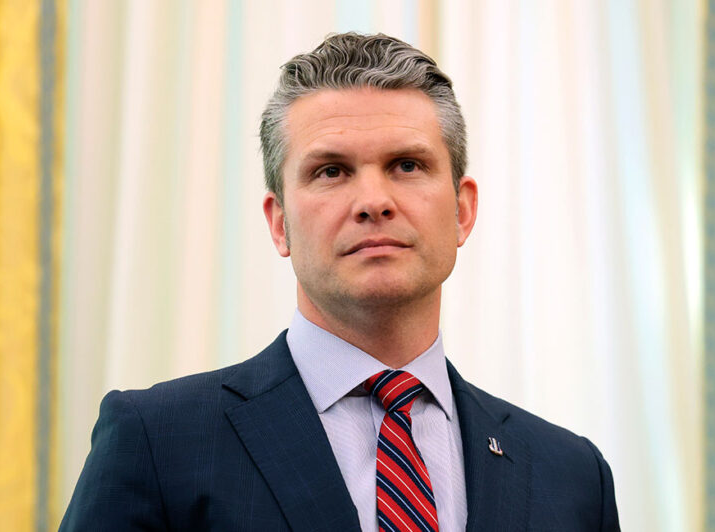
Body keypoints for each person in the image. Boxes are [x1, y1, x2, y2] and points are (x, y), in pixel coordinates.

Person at [61, 32, 620, 531]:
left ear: (462, 211)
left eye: (407, 165)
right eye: (331, 171)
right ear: (280, 223)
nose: (374, 202)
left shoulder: (572, 476)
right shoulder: (159, 444)